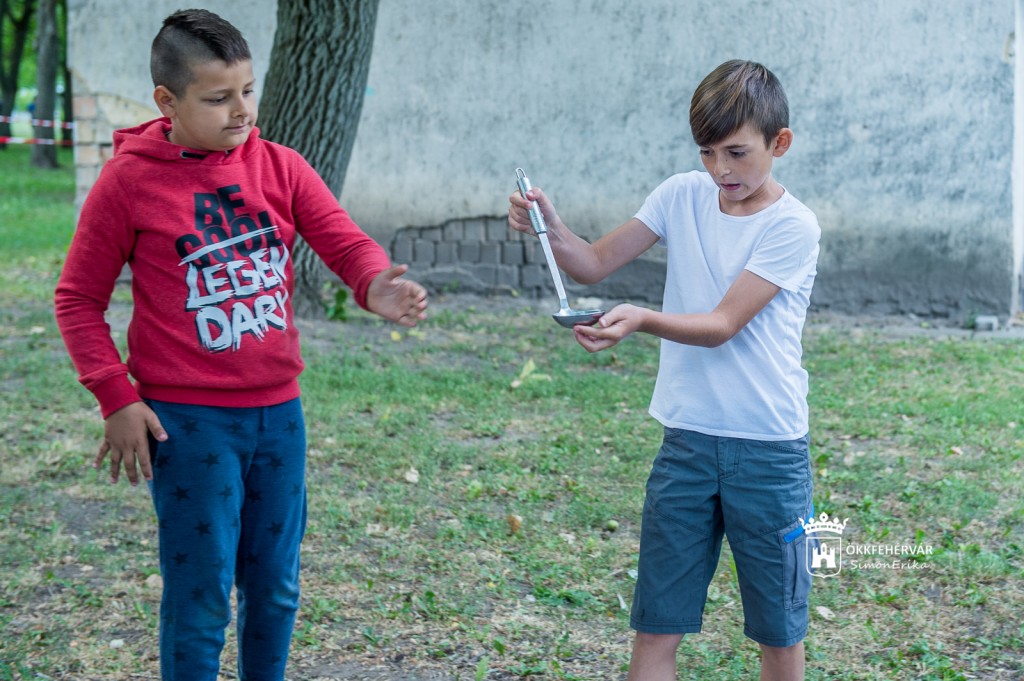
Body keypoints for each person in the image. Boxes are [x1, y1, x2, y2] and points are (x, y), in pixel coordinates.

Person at [54, 9, 427, 681]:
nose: (241, 110)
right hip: (187, 424)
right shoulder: (128, 183)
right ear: (167, 101)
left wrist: (374, 282)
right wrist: (116, 397)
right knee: (200, 599)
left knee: (276, 587)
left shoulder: (281, 166)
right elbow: (78, 299)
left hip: (280, 418)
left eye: (248, 90)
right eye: (218, 97)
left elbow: (344, 240)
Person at [508, 60, 820, 681]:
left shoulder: (793, 225)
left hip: (769, 451)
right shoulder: (681, 195)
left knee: (778, 634)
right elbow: (593, 263)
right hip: (687, 444)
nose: (720, 169)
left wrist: (642, 319)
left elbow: (723, 323)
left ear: (779, 143)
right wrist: (550, 226)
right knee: (655, 628)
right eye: (707, 152)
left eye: (736, 152)